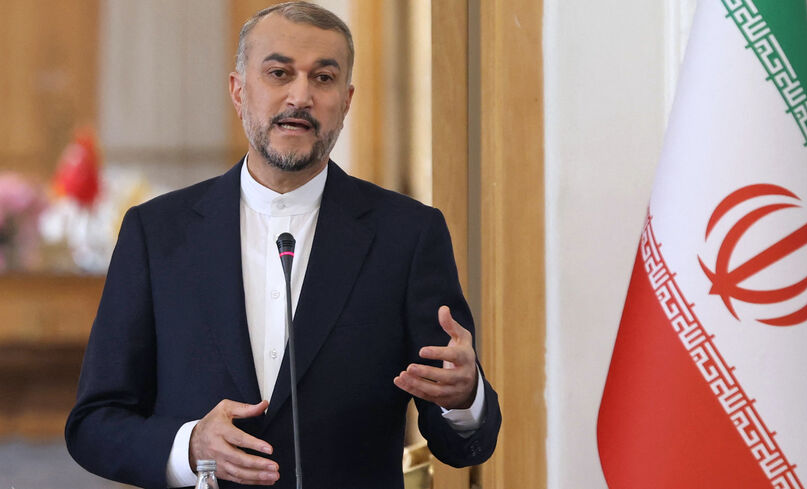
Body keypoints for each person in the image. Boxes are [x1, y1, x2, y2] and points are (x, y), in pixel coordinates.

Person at [65, 2, 500, 488]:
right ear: (238, 90)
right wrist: (190, 447)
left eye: (323, 78)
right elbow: (94, 425)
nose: (301, 96)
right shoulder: (157, 233)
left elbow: (459, 444)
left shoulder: (408, 235)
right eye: (278, 73)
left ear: (347, 99)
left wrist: (464, 399)